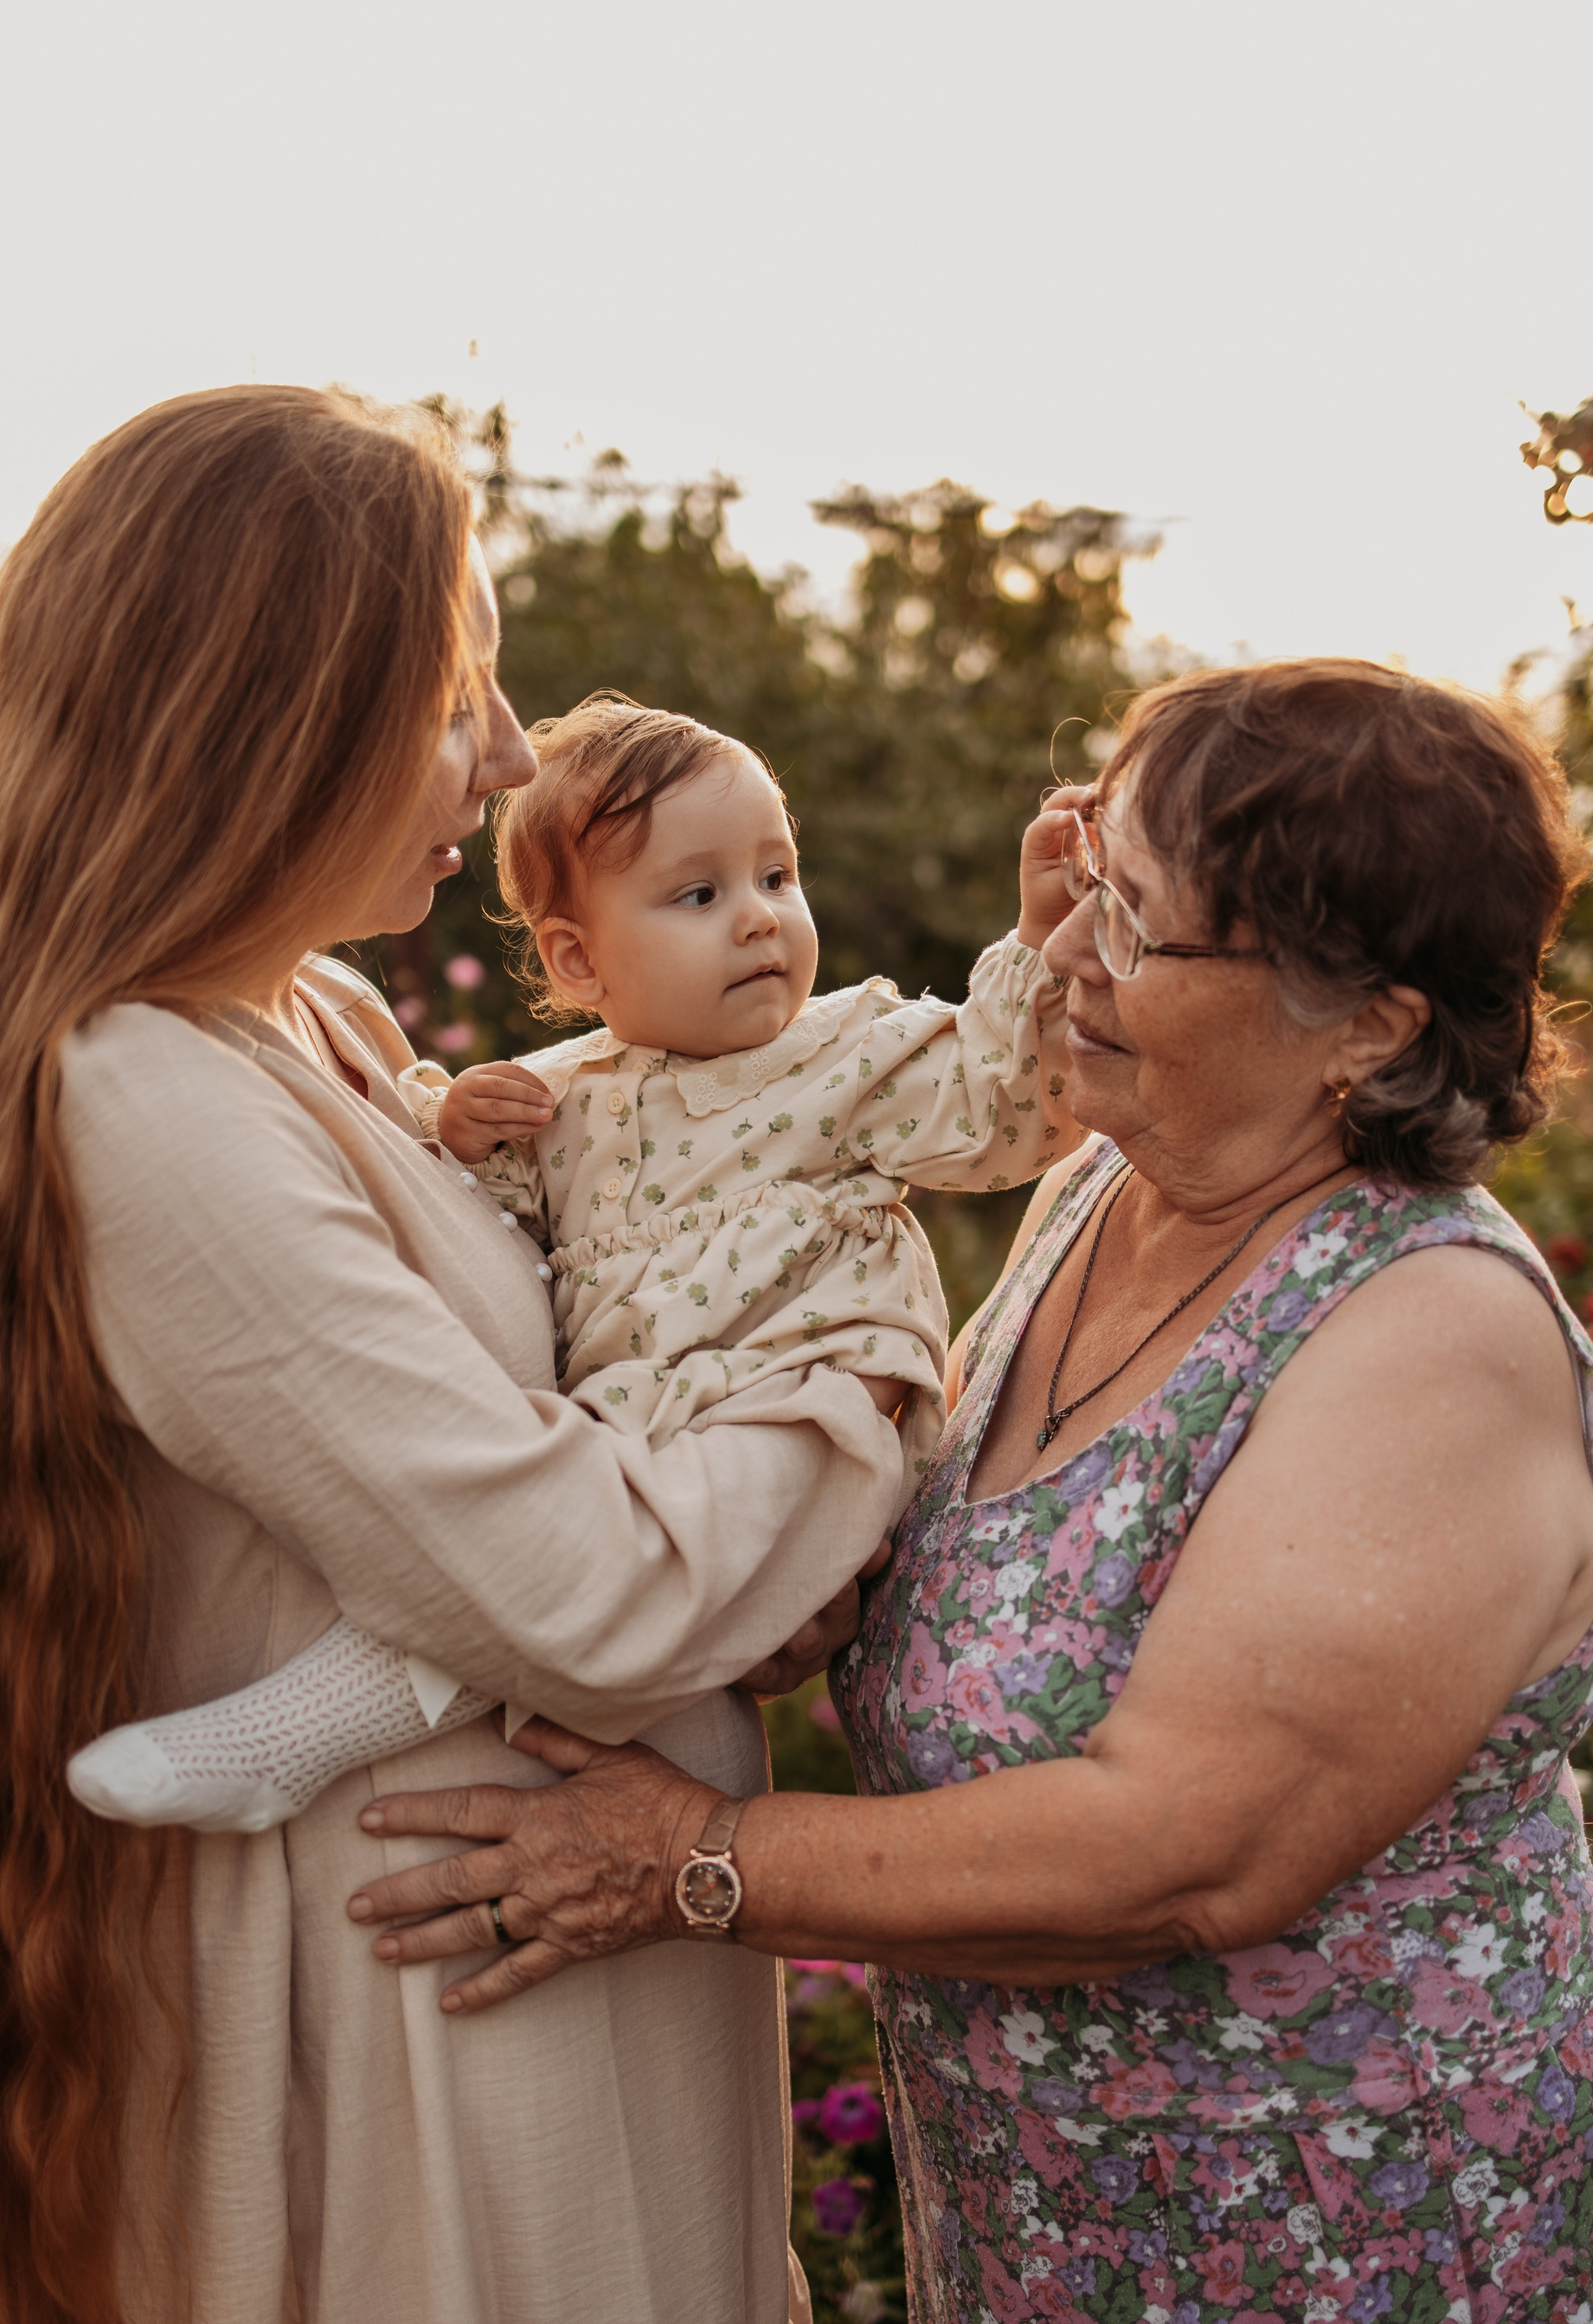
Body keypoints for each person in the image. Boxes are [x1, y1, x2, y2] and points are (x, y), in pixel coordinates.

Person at [347, 660, 1593, 2323]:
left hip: (1338, 2239)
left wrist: (693, 1857)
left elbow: (1181, 1852)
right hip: (1045, 2230)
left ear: (1366, 1023)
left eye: (1139, 926)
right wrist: (785, 1594)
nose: (1067, 948)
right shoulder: (1103, 1187)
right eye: (1089, 880)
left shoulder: (1430, 1329)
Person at [0, 384, 913, 2324]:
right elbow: (578, 1587)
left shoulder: (312, 1018)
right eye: (446, 701)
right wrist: (859, 1394)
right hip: (426, 2033)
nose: (506, 758)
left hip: (541, 1980)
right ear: (260, 728)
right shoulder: (141, 1095)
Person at [68, 691, 1077, 1835]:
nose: (759, 920)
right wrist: (461, 1133)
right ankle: (292, 1737)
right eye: (700, 894)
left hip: (805, 1383)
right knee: (528, 1578)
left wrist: (1039, 946)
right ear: (577, 958)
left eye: (778, 877)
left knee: (573, 1566)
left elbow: (1009, 1116)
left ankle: (287, 1738)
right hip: (639, 1426)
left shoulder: (846, 1052)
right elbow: (477, 1245)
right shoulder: (563, 1097)